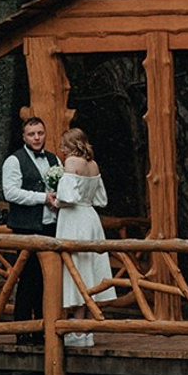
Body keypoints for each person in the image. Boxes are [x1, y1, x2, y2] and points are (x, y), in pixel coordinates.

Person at [53, 127, 117, 341]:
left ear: (73, 145)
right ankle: (88, 328)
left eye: (64, 145)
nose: (62, 149)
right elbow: (100, 199)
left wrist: (55, 201)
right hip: (90, 217)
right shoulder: (93, 164)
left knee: (78, 268)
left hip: (75, 219)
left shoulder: (72, 162)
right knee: (91, 268)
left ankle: (79, 329)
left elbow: (67, 197)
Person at [0, 113, 61, 319]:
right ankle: (23, 327)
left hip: (51, 226)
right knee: (27, 278)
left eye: (40, 133)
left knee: (47, 279)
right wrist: (43, 198)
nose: (36, 138)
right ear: (24, 137)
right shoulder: (14, 160)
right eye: (32, 134)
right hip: (26, 227)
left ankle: (44, 326)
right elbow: (11, 193)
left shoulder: (54, 159)